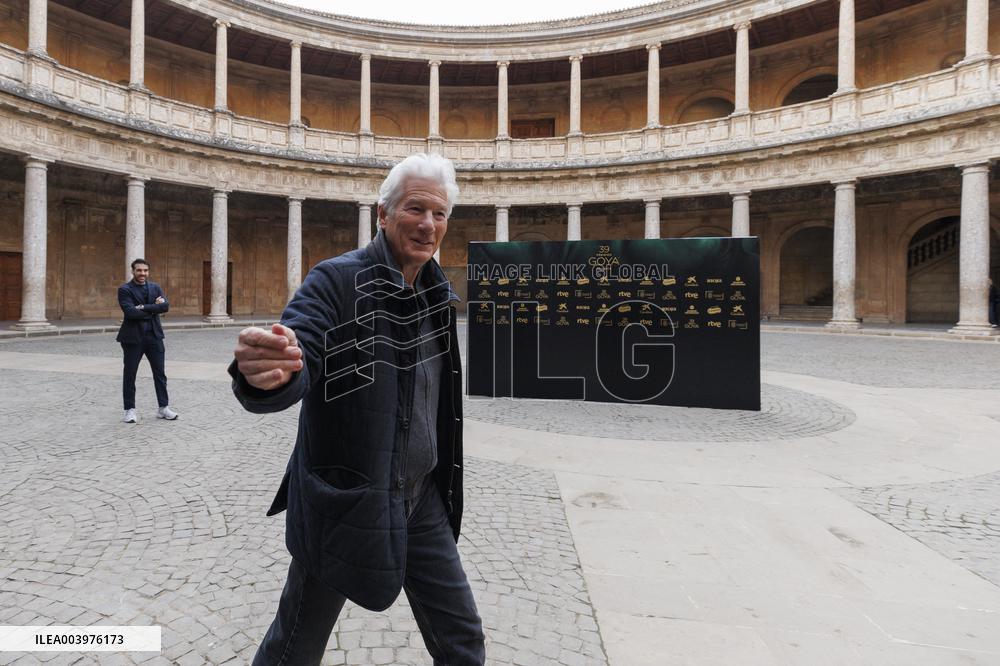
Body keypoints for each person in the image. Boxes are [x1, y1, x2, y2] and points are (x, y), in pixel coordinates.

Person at [230, 153, 485, 665]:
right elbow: (300, 347)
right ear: (383, 214)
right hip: (348, 501)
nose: (428, 224)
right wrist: (270, 373)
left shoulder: (437, 293)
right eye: (415, 209)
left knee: (462, 641)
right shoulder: (337, 281)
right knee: (296, 642)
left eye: (439, 215)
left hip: (421, 498)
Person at [116, 258, 178, 423]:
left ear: (148, 272)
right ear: (133, 271)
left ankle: (163, 408)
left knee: (160, 374)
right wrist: (154, 308)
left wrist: (143, 307)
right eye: (139, 270)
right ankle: (129, 410)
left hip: (154, 336)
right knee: (130, 374)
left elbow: (165, 306)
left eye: (145, 270)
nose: (142, 273)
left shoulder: (155, 287)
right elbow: (130, 313)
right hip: (132, 338)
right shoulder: (125, 289)